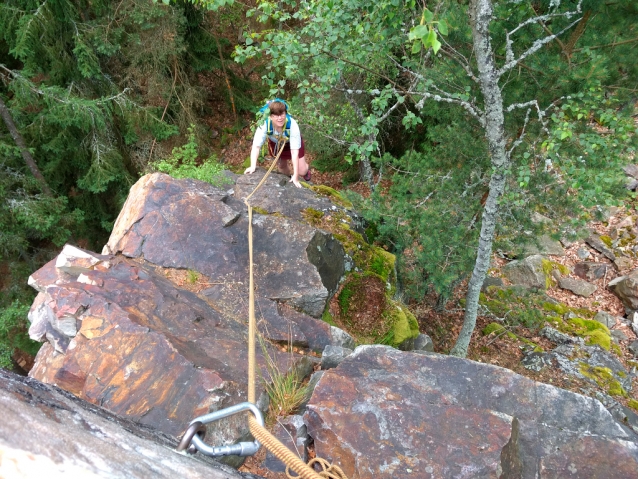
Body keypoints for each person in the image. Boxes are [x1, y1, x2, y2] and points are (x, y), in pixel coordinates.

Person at [244, 100, 311, 188]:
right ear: (271, 116)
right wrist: (253, 166)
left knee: (302, 171)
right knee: (282, 166)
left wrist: (296, 176)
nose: (280, 118)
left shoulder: (292, 125)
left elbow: (294, 152)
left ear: (285, 113)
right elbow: (256, 147)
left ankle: (306, 170)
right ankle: (288, 178)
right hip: (276, 144)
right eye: (276, 115)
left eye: (282, 114)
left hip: (291, 142)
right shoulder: (264, 124)